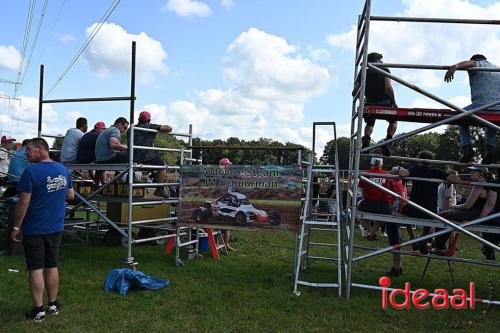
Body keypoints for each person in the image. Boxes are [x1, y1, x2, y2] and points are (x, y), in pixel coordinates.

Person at [10, 138, 74, 322]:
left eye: (28, 149)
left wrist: (16, 226)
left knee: (36, 268)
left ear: (40, 149)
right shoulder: (62, 169)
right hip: (55, 226)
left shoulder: (31, 172)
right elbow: (70, 195)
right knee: (52, 265)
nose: (26, 153)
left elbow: (23, 202)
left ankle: (39, 310)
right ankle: (53, 305)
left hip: (35, 227)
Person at [399, 150, 460, 254]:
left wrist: (402, 171)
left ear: (419, 160)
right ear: (431, 161)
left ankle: (414, 239)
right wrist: (447, 178)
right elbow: (456, 179)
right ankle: (424, 237)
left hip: (414, 208)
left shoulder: (416, 169)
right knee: (432, 216)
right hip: (429, 210)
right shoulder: (436, 172)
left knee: (401, 211)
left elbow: (402, 174)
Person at [444, 54, 500, 164]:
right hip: (498, 108)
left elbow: (471, 64)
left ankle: (467, 148)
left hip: (481, 105)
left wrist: (455, 67)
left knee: (459, 115)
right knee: (491, 122)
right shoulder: (497, 69)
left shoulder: (478, 64)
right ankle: (490, 148)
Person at [432, 166, 491, 255]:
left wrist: (454, 207)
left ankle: (439, 247)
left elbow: (467, 206)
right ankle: (440, 245)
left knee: (441, 216)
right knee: (447, 218)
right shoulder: (484, 184)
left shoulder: (479, 185)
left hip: (471, 213)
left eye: (474, 171)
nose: (471, 173)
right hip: (474, 213)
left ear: (481, 173)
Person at [357, 157, 401, 276]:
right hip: (385, 206)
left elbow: (361, 190)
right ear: (382, 165)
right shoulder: (387, 175)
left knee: (358, 210)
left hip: (368, 204)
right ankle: (372, 231)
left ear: (371, 164)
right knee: (383, 216)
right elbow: (393, 191)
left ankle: (369, 231)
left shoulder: (365, 173)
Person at [353, 52, 398, 156]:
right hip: (384, 103)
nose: (382, 62)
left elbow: (355, 92)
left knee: (369, 123)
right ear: (377, 60)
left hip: (369, 103)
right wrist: (394, 103)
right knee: (393, 122)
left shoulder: (364, 71)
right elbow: (388, 87)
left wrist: (362, 100)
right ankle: (387, 142)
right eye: (381, 60)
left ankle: (366, 141)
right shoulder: (385, 69)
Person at [132, 111, 172, 198]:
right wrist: (156, 127)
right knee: (162, 165)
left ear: (139, 119)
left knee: (154, 166)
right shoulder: (149, 126)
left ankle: (154, 176)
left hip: (133, 157)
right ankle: (160, 189)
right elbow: (169, 128)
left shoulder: (131, 129)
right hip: (145, 156)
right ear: (149, 120)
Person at [77, 121, 107, 186]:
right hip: (88, 159)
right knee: (103, 163)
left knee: (98, 163)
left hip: (80, 158)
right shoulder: (98, 136)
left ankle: (97, 185)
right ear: (99, 129)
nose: (104, 131)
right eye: (103, 129)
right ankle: (105, 186)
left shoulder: (87, 134)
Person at [219, 157, 236, 252]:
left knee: (228, 224)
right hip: (222, 202)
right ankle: (221, 244)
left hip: (228, 202)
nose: (229, 167)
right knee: (223, 224)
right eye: (228, 165)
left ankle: (226, 244)